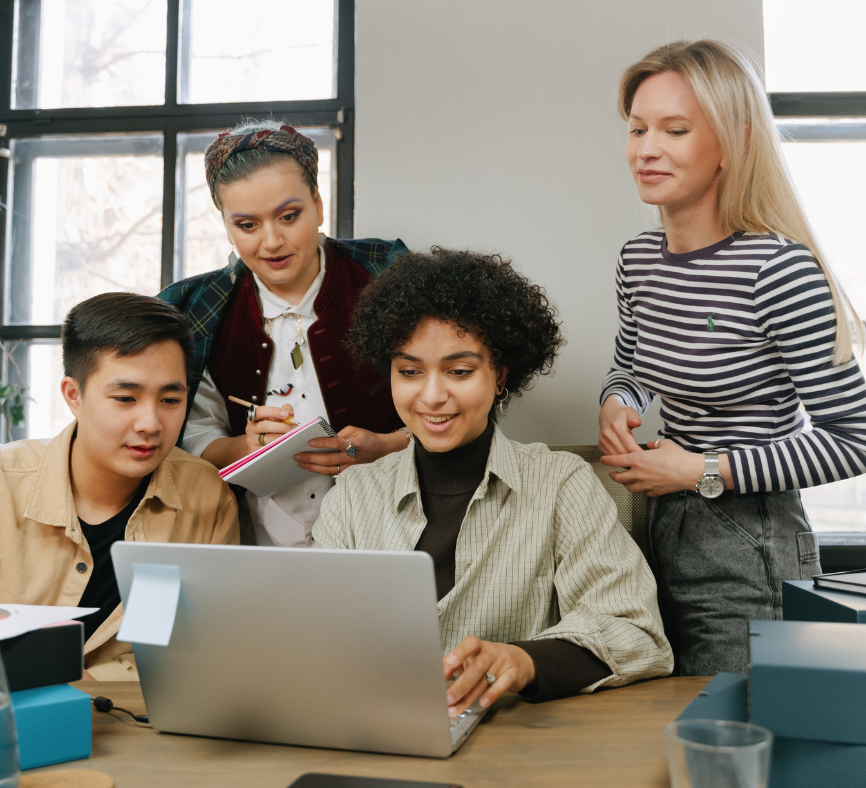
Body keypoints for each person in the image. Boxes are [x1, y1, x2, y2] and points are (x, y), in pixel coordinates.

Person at [597, 40, 866, 676]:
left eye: (675, 130)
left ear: (732, 142)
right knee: (660, 720)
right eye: (637, 128)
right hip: (660, 525)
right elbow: (631, 367)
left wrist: (700, 470)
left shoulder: (778, 271)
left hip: (752, 540)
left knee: (739, 725)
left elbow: (854, 438)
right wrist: (618, 402)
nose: (646, 149)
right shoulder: (639, 259)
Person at [313, 248, 672, 715]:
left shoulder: (561, 484)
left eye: (459, 371)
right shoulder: (354, 496)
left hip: (517, 743)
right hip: (378, 731)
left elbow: (637, 633)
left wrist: (522, 661)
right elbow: (315, 637)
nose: (432, 396)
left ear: (499, 375)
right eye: (410, 372)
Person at [0, 293, 240, 679]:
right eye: (125, 398)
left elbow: (200, 649)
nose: (151, 424)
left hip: (133, 713)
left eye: (170, 400)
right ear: (74, 396)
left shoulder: (206, 497)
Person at [159, 121, 409, 548]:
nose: (272, 241)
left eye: (289, 216)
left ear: (318, 205)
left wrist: (386, 447)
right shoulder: (196, 308)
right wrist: (244, 447)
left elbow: (454, 399)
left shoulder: (387, 275)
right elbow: (193, 435)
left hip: (389, 535)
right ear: (226, 226)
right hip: (253, 544)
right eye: (247, 225)